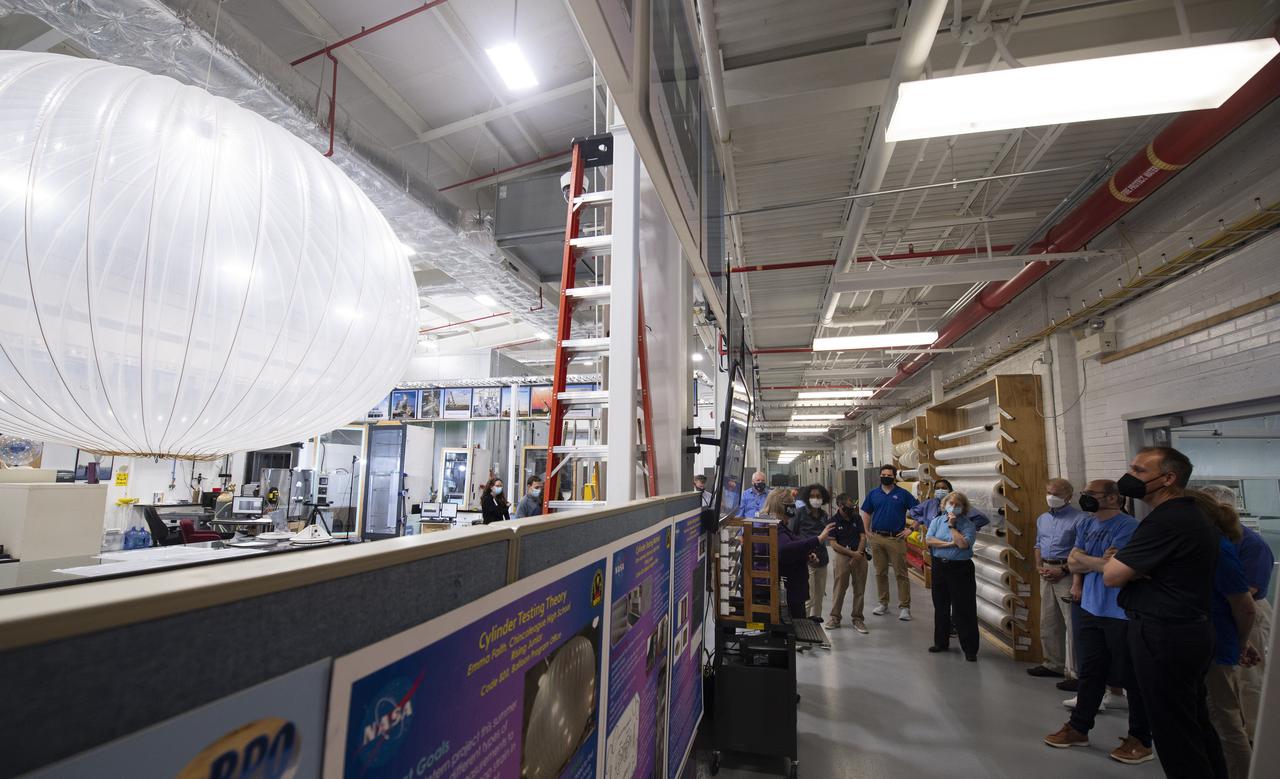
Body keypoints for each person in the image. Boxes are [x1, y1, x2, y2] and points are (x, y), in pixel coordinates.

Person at [1102, 447, 1228, 779]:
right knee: (1193, 724)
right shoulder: (1187, 516)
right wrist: (1133, 567)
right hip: (1185, 631)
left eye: (1139, 471)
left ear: (1168, 478)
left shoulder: (1168, 519)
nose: (1129, 477)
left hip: (1164, 635)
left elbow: (1113, 574)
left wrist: (1128, 566)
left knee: (1175, 734)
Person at [1044, 479, 1152, 765]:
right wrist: (1094, 562)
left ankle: (1140, 739)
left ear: (1114, 498)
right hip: (1089, 607)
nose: (1087, 498)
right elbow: (1074, 561)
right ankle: (1079, 728)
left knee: (1132, 677)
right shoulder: (1086, 524)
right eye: (1086, 493)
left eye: (1093, 494)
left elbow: (1116, 569)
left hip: (1119, 611)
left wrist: (1085, 561)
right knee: (1090, 672)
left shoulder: (1128, 528)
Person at [1193, 490, 1258, 779]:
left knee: (1225, 719)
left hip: (1217, 645)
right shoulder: (1201, 547)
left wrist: (1242, 643)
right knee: (1212, 716)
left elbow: (1245, 607)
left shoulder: (1218, 550)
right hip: (1204, 642)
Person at [1201, 484, 1274, 737]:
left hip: (1247, 611)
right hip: (1218, 611)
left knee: (1249, 677)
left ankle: (1255, 734)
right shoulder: (1211, 539)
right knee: (1225, 676)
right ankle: (1230, 726)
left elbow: (1249, 590)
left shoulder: (1252, 544)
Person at [1027, 478, 1088, 680]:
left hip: (1067, 573)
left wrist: (1063, 569)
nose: (1051, 497)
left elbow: (1081, 551)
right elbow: (1038, 544)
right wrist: (1039, 567)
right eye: (1049, 492)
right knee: (1048, 621)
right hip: (1046, 570)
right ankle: (1053, 663)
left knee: (1072, 622)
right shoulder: (1043, 518)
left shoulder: (1080, 519)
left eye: (1057, 494)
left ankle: (1078, 672)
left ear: (1069, 497)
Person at [762, 488, 835, 619]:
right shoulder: (775, 526)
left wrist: (806, 553)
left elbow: (794, 541)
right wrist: (818, 539)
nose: (794, 507)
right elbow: (784, 549)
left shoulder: (781, 525)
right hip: (789, 594)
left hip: (794, 591)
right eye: (791, 503)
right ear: (784, 507)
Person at [924, 491, 979, 661]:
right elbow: (929, 540)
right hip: (940, 566)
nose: (953, 507)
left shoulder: (968, 525)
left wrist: (952, 526)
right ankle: (941, 642)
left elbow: (962, 544)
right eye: (951, 503)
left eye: (957, 505)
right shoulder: (936, 521)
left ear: (963, 508)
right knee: (940, 606)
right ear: (944, 504)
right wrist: (948, 543)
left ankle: (970, 649)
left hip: (960, 569)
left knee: (963, 608)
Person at [861, 464, 918, 621]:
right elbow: (866, 512)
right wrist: (866, 530)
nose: (886, 477)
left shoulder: (903, 494)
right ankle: (883, 603)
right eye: (883, 474)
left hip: (896, 538)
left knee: (901, 574)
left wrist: (911, 529)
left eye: (889, 475)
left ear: (894, 477)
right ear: (880, 476)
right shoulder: (873, 494)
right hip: (877, 538)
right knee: (880, 573)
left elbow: (919, 512)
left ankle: (905, 607)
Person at [827, 493, 869, 633]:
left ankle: (858, 618)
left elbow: (863, 537)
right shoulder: (833, 521)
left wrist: (859, 554)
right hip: (842, 555)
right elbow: (833, 544)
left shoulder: (856, 517)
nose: (851, 509)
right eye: (848, 506)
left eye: (853, 506)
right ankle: (835, 617)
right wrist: (852, 554)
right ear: (840, 505)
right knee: (839, 588)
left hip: (859, 554)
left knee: (860, 588)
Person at [791, 484, 833, 620]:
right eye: (813, 496)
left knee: (819, 597)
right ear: (807, 498)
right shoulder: (799, 513)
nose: (816, 499)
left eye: (819, 496)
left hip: (822, 560)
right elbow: (792, 534)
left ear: (823, 498)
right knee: (808, 597)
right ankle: (804, 627)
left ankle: (816, 625)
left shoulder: (824, 516)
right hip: (806, 561)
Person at [909, 478, 990, 532]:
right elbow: (913, 511)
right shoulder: (930, 503)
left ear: (950, 490)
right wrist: (923, 520)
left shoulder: (957, 504)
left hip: (952, 540)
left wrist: (963, 528)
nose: (940, 490)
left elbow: (982, 518)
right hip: (934, 542)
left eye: (943, 488)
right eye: (937, 488)